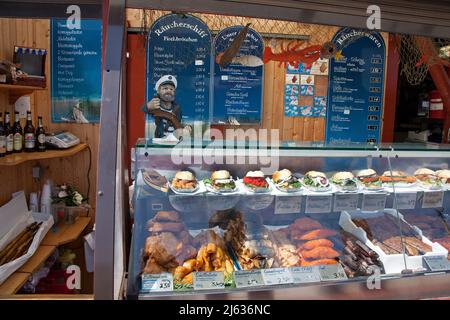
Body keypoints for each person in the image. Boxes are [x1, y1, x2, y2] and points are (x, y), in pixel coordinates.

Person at [143, 75, 191, 139]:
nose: (169, 91)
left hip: (175, 141)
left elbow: (179, 123)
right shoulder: (155, 106)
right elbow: (142, 110)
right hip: (160, 140)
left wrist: (187, 127)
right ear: (158, 91)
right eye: (165, 88)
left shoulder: (177, 108)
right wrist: (148, 106)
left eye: (171, 89)